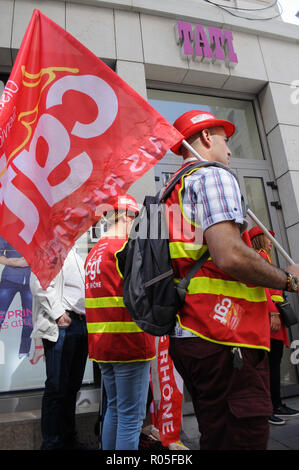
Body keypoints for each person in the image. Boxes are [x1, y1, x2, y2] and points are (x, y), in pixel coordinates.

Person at [166, 109, 299, 450]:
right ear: (207, 138)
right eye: (226, 139)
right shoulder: (213, 176)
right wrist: (289, 281)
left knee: (218, 434)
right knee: (242, 439)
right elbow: (230, 255)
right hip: (224, 335)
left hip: (195, 334)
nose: (230, 150)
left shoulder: (173, 189)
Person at [85, 194, 156, 450]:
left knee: (115, 409)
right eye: (134, 217)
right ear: (127, 215)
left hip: (103, 345)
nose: (133, 222)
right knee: (131, 418)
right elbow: (144, 293)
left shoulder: (95, 251)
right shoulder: (123, 247)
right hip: (129, 342)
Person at [30, 247, 89, 450]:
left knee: (72, 387)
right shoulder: (50, 247)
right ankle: (52, 444)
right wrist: (57, 314)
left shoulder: (75, 251)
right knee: (56, 387)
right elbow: (38, 282)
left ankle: (68, 439)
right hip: (63, 324)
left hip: (80, 323)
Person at [249, 225, 299, 425]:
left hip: (273, 319)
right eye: (268, 238)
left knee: (274, 364)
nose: (271, 242)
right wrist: (272, 312)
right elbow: (263, 289)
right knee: (269, 365)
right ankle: (270, 406)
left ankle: (276, 404)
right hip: (269, 320)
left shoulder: (265, 258)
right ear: (260, 239)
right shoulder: (259, 257)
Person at [0, 235, 33, 357]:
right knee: (0, 315)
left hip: (30, 280)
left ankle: (24, 351)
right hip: (9, 278)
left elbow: (44, 253)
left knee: (29, 320)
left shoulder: (36, 230)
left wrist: (30, 260)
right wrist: (12, 262)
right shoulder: (7, 230)